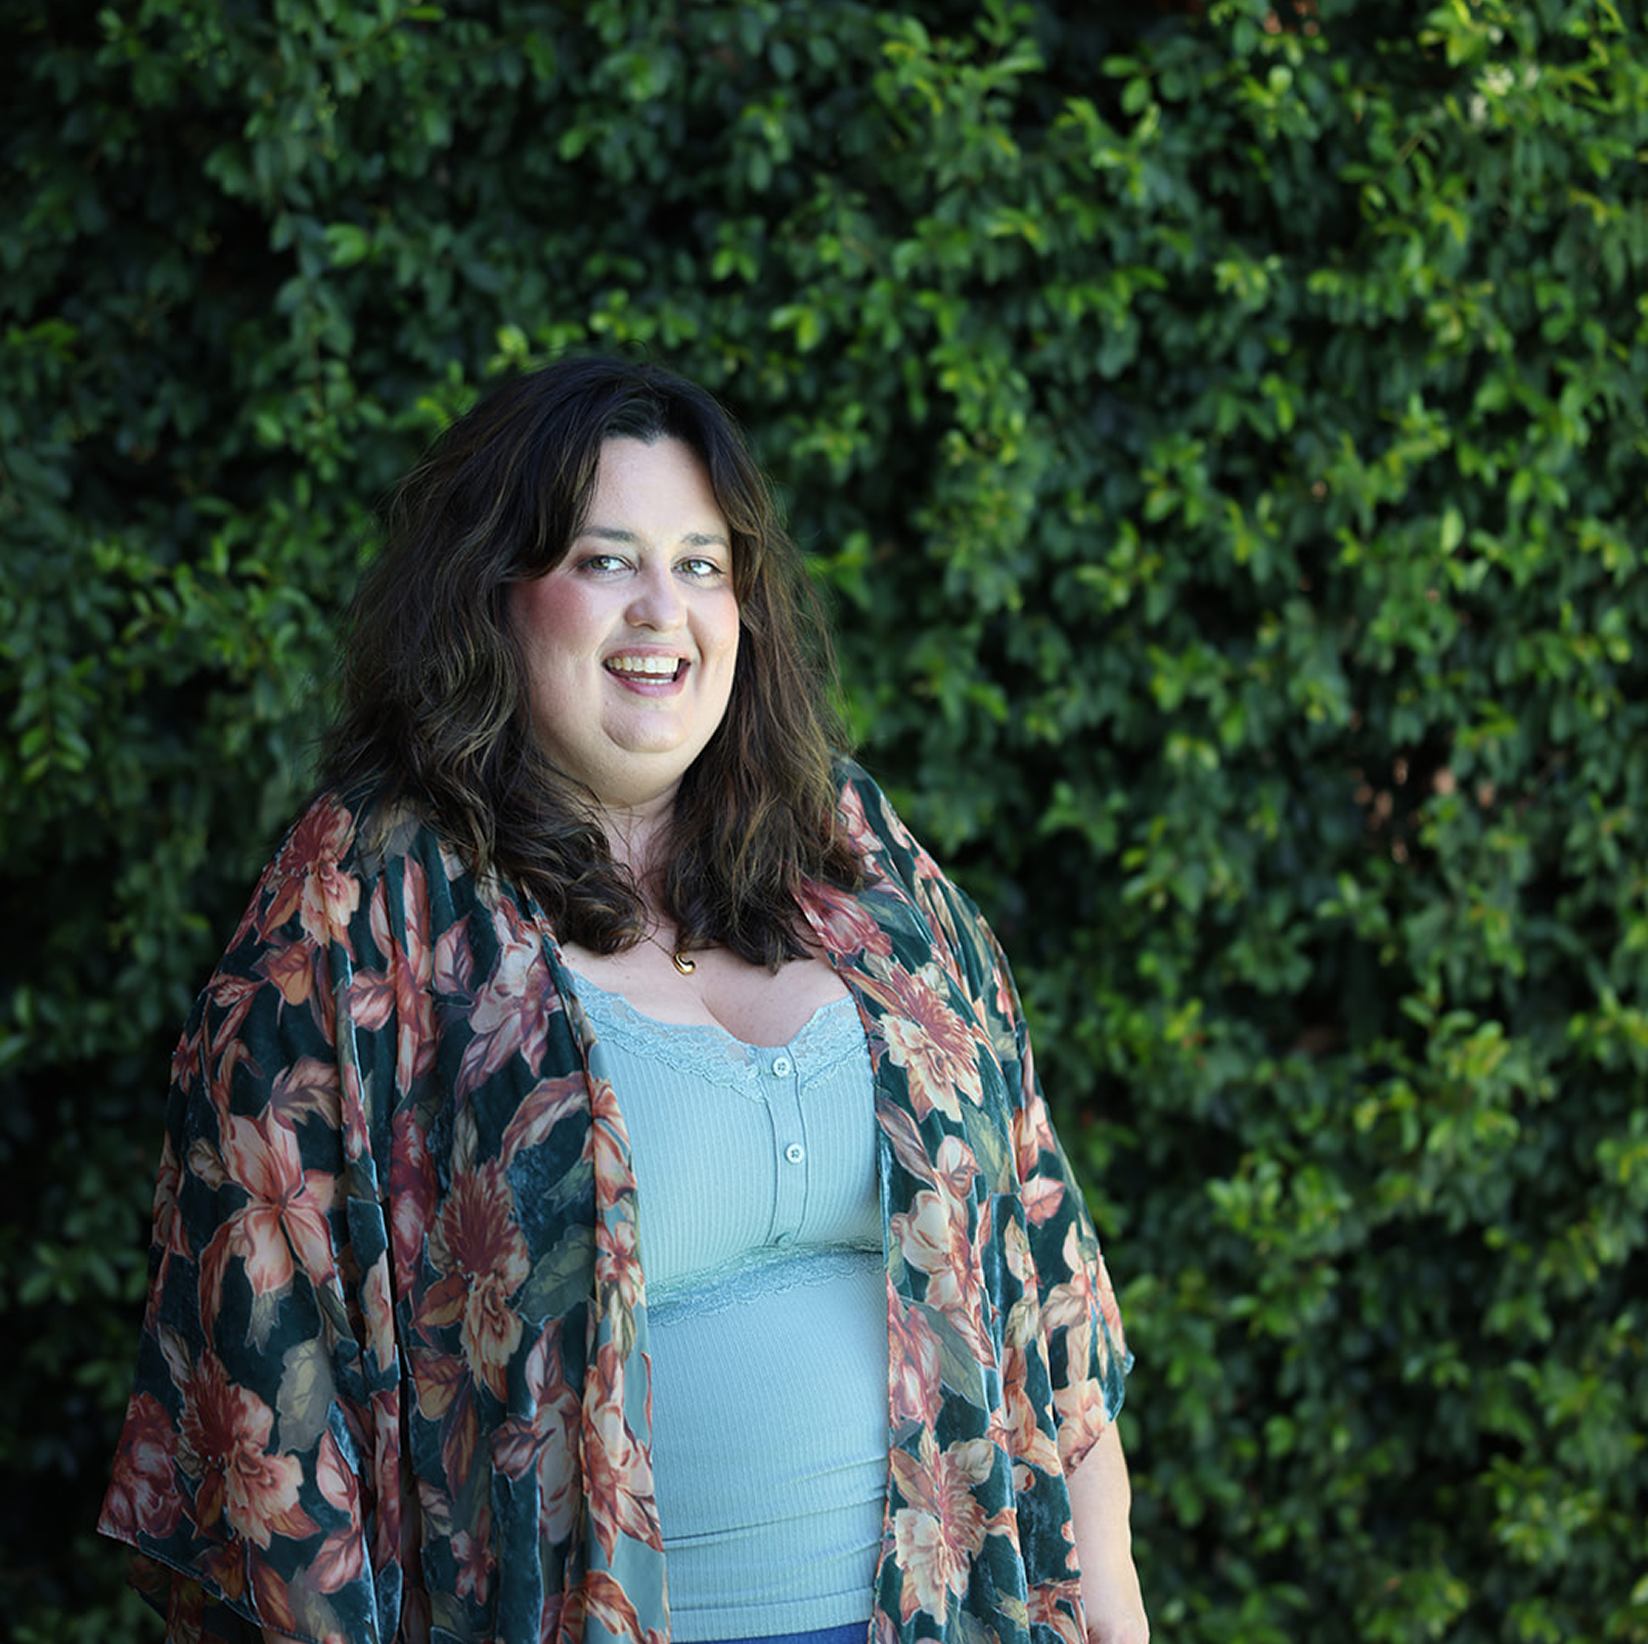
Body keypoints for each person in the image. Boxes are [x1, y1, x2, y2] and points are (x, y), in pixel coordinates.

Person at [99, 357, 1147, 1644]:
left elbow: (1041, 1268)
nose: (665, 611)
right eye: (606, 561)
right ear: (496, 595)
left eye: (702, 565)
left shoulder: (856, 858)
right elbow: (260, 1351)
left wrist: (1109, 1598)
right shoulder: (367, 913)